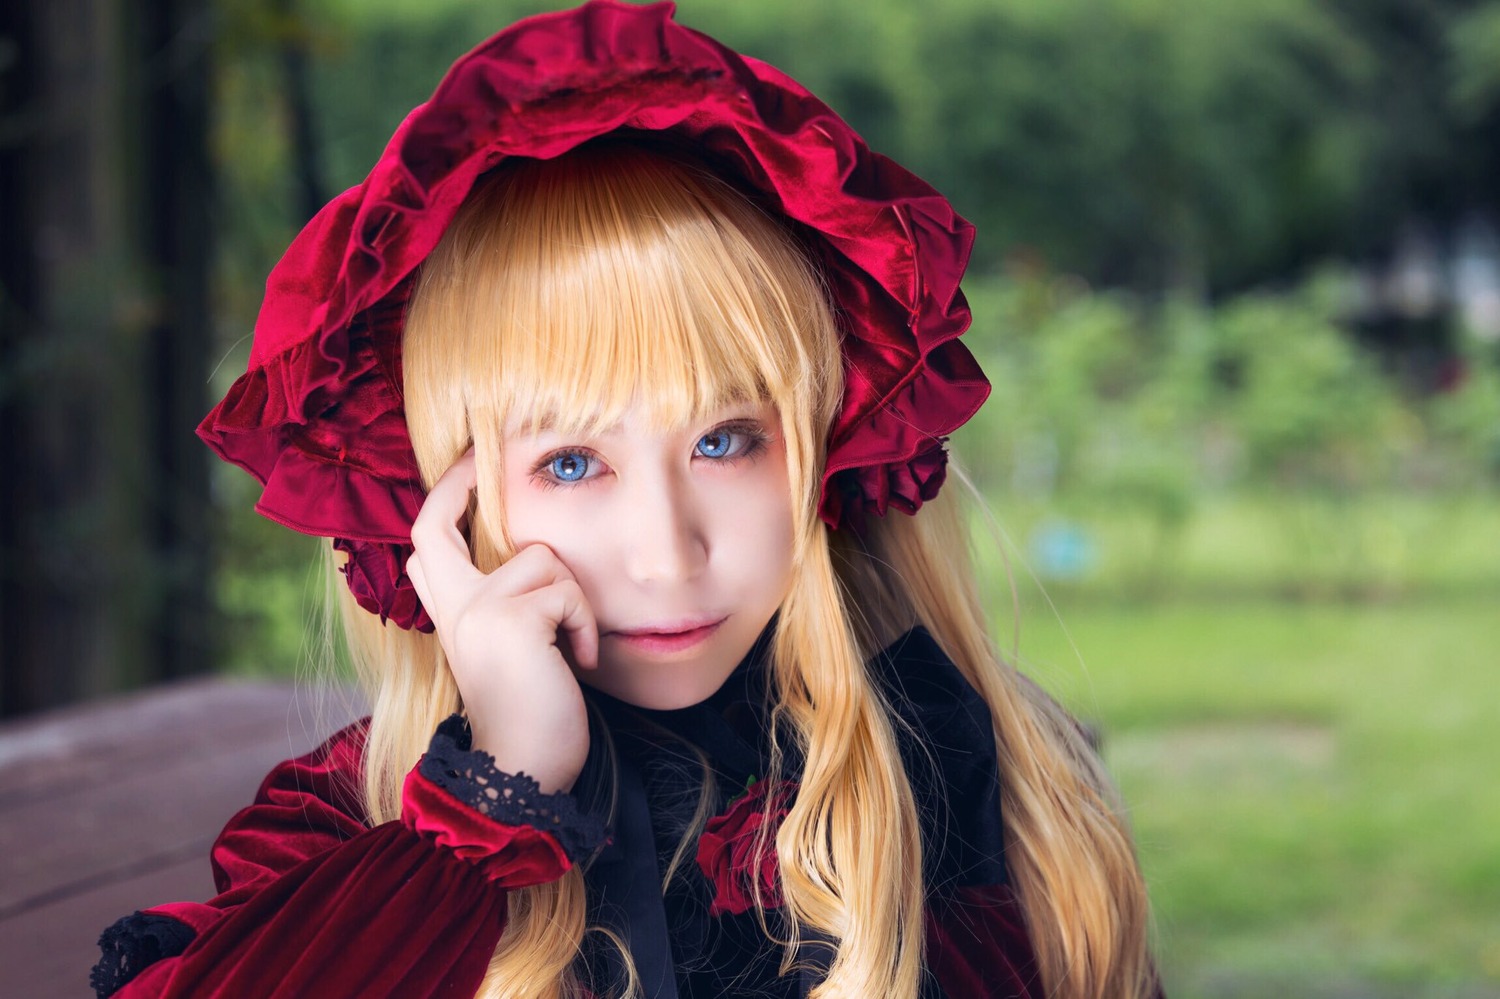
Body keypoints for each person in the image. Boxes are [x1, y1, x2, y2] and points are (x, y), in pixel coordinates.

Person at [90, 2, 1159, 997]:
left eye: (725, 441)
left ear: (828, 454)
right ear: (444, 505)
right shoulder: (354, 824)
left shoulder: (954, 768)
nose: (666, 553)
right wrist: (492, 799)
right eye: (570, 464)